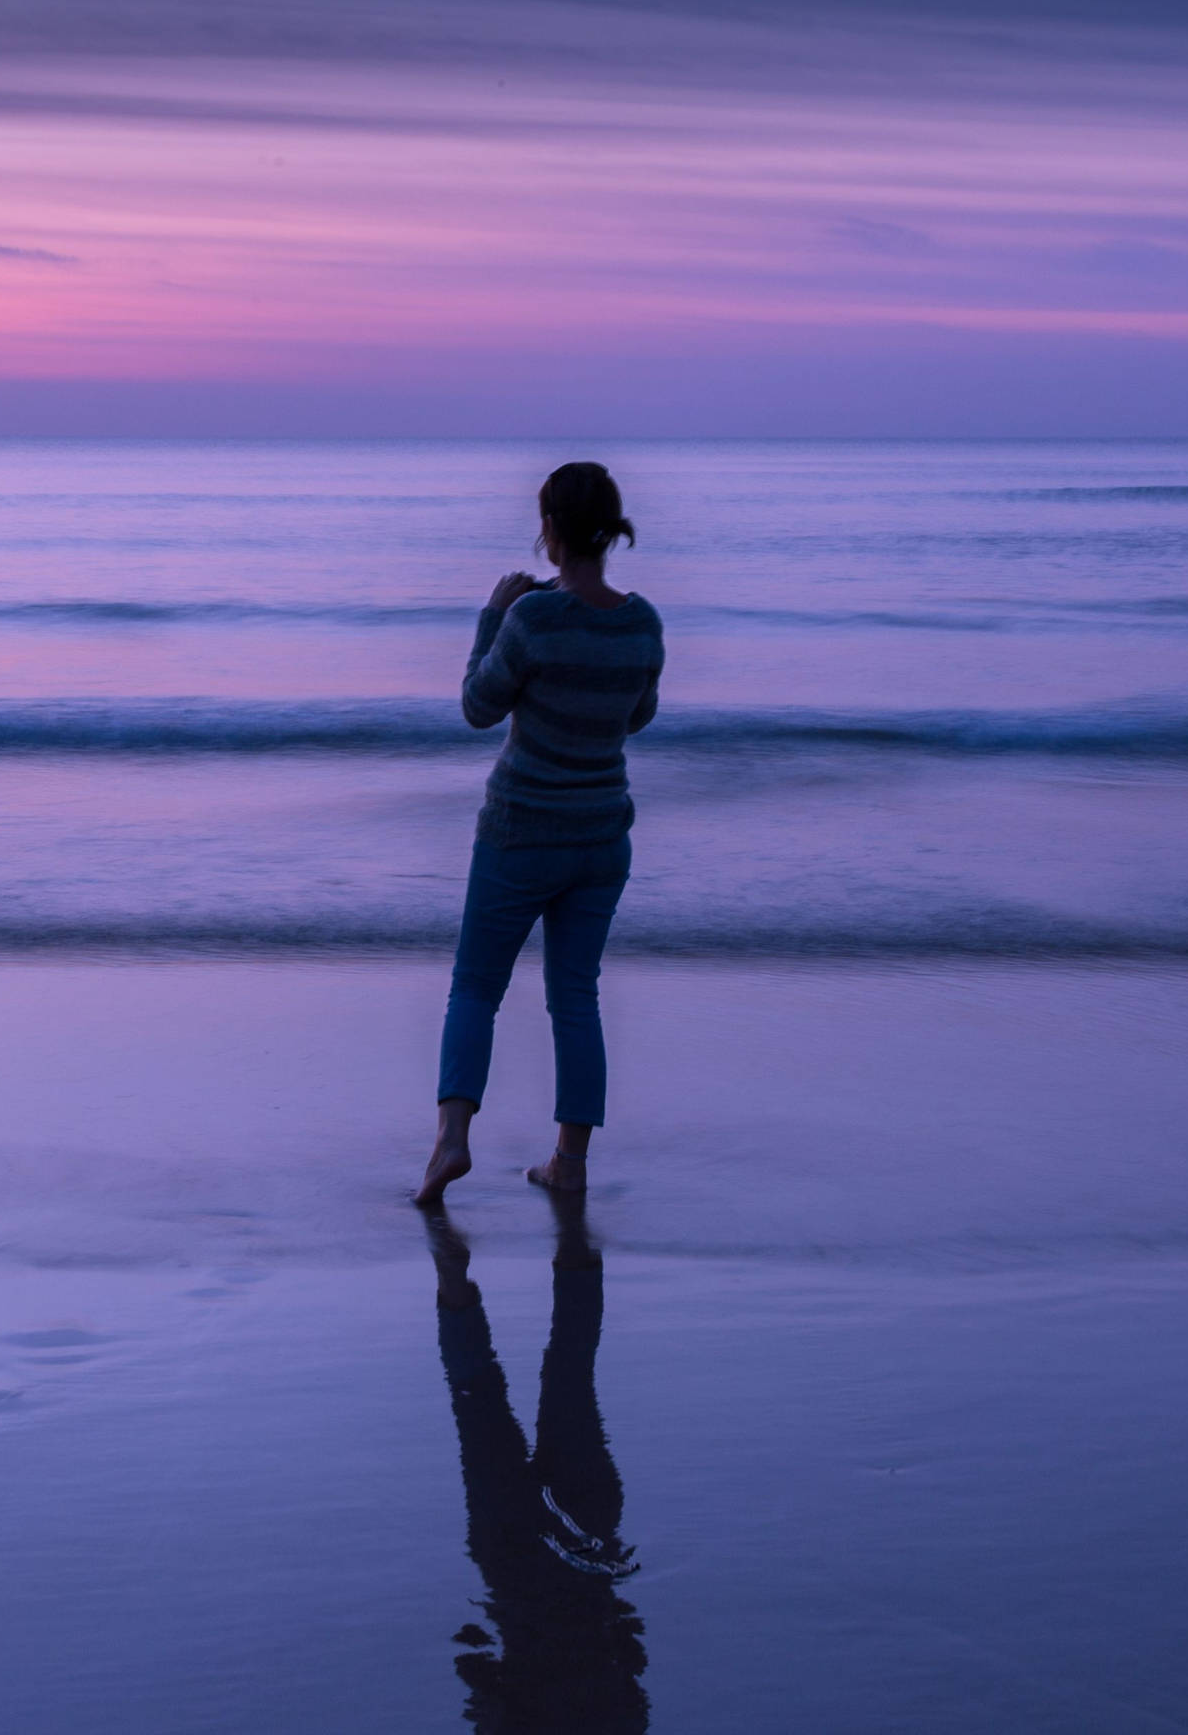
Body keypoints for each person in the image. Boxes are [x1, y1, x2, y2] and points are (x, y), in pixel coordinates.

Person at [415, 461, 664, 1206]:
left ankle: (452, 1141)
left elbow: (477, 707)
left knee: (476, 987)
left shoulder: (530, 619)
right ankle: (569, 1163)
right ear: (609, 530)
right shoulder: (642, 621)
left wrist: (492, 616)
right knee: (576, 997)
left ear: (550, 530)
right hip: (600, 837)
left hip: (520, 831)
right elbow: (638, 716)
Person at [426, 1203, 649, 1733]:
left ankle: (575, 1241)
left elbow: (632, 1654)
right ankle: (453, 1275)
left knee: (571, 1372)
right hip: (510, 1562)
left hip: (589, 1535)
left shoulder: (623, 1726)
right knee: (476, 1398)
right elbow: (476, 1676)